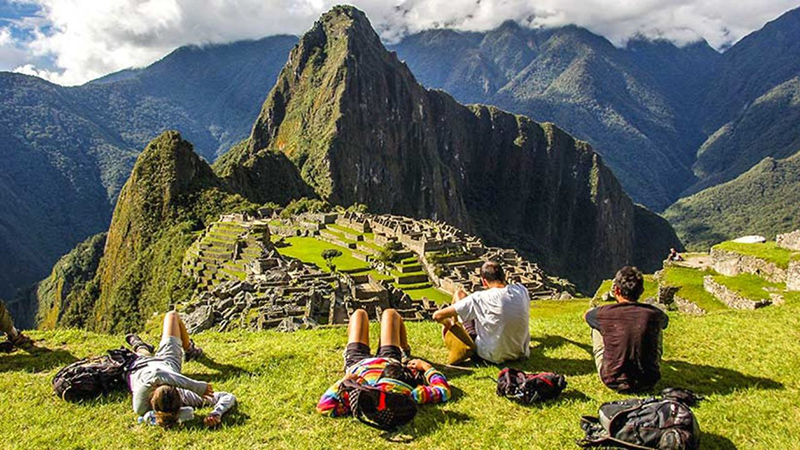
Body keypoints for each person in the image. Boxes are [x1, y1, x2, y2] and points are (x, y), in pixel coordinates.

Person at [317, 308, 451, 416]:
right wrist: (427, 368)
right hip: (389, 361)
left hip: (358, 364)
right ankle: (405, 350)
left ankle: (403, 351)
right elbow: (443, 391)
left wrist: (344, 381)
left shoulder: (361, 395)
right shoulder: (410, 395)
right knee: (390, 314)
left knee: (359, 314)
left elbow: (325, 406)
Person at [126, 311, 236, 428]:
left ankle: (140, 345)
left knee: (171, 317)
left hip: (138, 365)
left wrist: (196, 387)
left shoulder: (140, 405)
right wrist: (217, 412)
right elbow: (228, 396)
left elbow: (157, 375)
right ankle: (186, 349)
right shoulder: (184, 396)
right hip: (168, 364)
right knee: (171, 316)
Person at [584, 266, 669, 392]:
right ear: (641, 290)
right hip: (649, 380)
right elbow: (665, 322)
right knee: (658, 326)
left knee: (596, 326)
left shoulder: (603, 313)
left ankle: (612, 361)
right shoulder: (654, 313)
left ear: (617, 290)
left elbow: (586, 316)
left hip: (612, 380)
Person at [432, 261, 530, 364]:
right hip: (520, 353)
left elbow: (437, 316)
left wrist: (449, 324)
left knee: (459, 295)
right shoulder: (521, 290)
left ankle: (459, 335)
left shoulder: (479, 298)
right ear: (504, 276)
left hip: (490, 356)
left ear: (484, 281)